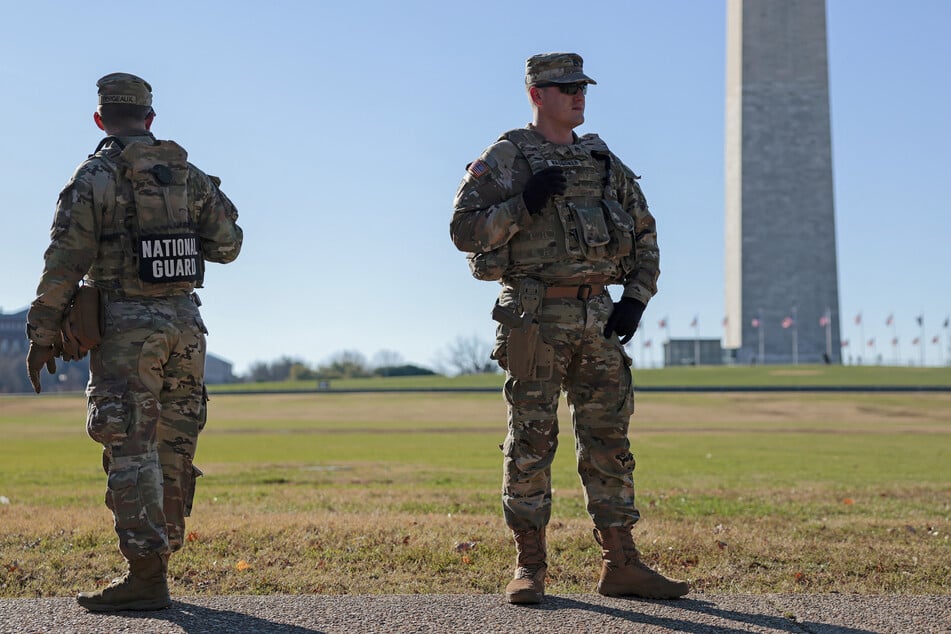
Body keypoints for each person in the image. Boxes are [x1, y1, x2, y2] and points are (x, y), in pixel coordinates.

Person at [450, 53, 688, 604]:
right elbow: (464, 232)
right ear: (537, 94)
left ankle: (622, 563)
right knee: (531, 440)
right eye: (564, 87)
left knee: (609, 440)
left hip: (599, 319)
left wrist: (635, 298)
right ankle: (529, 566)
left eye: (582, 86)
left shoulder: (602, 160)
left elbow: (646, 232)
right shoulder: (507, 157)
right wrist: (523, 203)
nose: (578, 95)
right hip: (535, 317)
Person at [25, 73, 243, 611]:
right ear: (150, 118)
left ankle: (146, 576)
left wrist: (43, 334)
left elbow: (65, 262)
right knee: (173, 445)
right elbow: (229, 245)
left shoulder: (94, 176)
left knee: (130, 447)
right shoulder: (188, 175)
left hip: (126, 330)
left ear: (100, 119)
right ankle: (158, 562)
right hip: (187, 328)